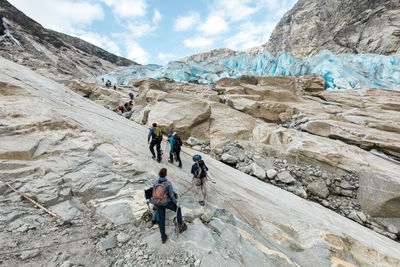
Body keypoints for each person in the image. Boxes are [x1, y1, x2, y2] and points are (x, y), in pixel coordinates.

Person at [153, 168, 187, 243]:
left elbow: (154, 193)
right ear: (166, 174)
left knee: (161, 219)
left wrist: (154, 203)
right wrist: (176, 203)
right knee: (178, 209)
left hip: (158, 203)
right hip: (166, 202)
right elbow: (171, 195)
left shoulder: (155, 183)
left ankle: (163, 237)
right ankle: (180, 225)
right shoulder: (168, 183)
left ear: (159, 174)